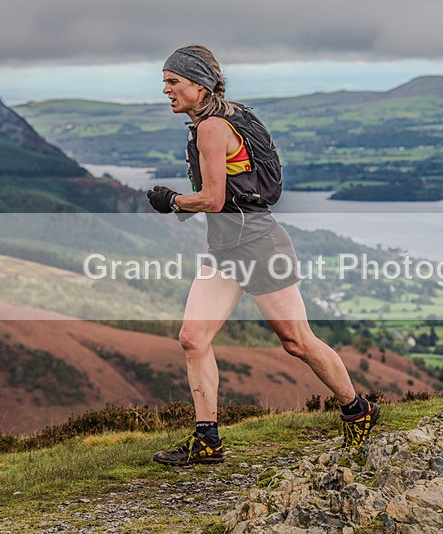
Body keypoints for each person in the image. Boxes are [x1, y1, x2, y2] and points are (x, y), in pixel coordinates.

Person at [146, 44, 379, 465]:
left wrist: (173, 202)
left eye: (172, 81)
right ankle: (207, 440)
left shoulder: (212, 128)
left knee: (297, 341)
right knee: (192, 338)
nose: (165, 90)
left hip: (257, 245)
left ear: (198, 84)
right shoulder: (233, 114)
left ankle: (358, 411)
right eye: (165, 81)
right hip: (226, 249)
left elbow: (214, 199)